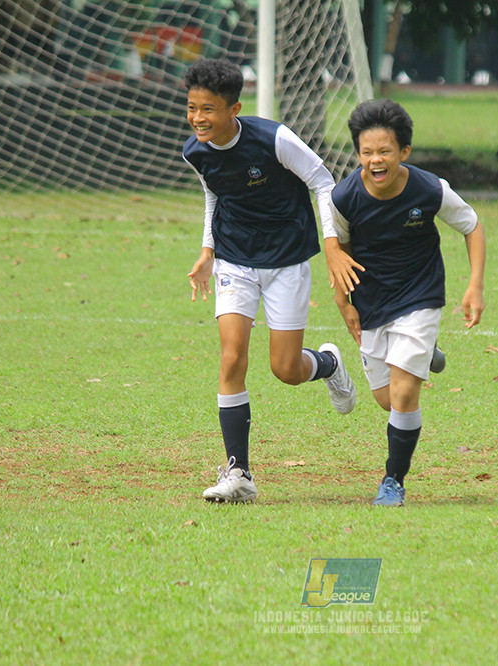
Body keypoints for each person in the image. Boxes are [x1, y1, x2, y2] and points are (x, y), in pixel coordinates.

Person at [183, 58, 361, 503]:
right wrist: (207, 250)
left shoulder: (273, 138)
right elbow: (213, 195)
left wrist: (333, 243)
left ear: (233, 109)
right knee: (231, 357)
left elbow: (322, 181)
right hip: (234, 260)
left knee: (285, 369)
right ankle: (239, 474)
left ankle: (327, 364)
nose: (198, 118)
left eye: (208, 109)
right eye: (191, 108)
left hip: (285, 259)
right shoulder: (195, 151)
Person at [330, 99, 487, 507]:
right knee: (386, 399)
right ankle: (421, 352)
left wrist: (475, 286)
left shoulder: (428, 189)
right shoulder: (344, 197)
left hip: (420, 295)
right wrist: (344, 304)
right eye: (366, 152)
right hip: (371, 303)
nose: (375, 160)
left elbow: (471, 226)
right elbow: (339, 254)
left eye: (384, 151)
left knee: (402, 394)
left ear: (404, 152)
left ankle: (392, 480)